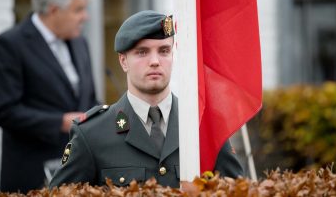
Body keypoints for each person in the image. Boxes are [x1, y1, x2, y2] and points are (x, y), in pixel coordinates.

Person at [49, 10, 244, 188]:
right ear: (123, 61)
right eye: (142, 52)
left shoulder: (203, 126)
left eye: (164, 51)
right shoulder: (92, 134)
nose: (155, 61)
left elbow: (239, 192)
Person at [0, 0, 98, 193]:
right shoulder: (9, 45)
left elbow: (90, 98)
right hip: (31, 176)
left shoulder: (80, 42)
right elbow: (5, 111)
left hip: (79, 173)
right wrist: (60, 122)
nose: (85, 17)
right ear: (54, 10)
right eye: (79, 10)